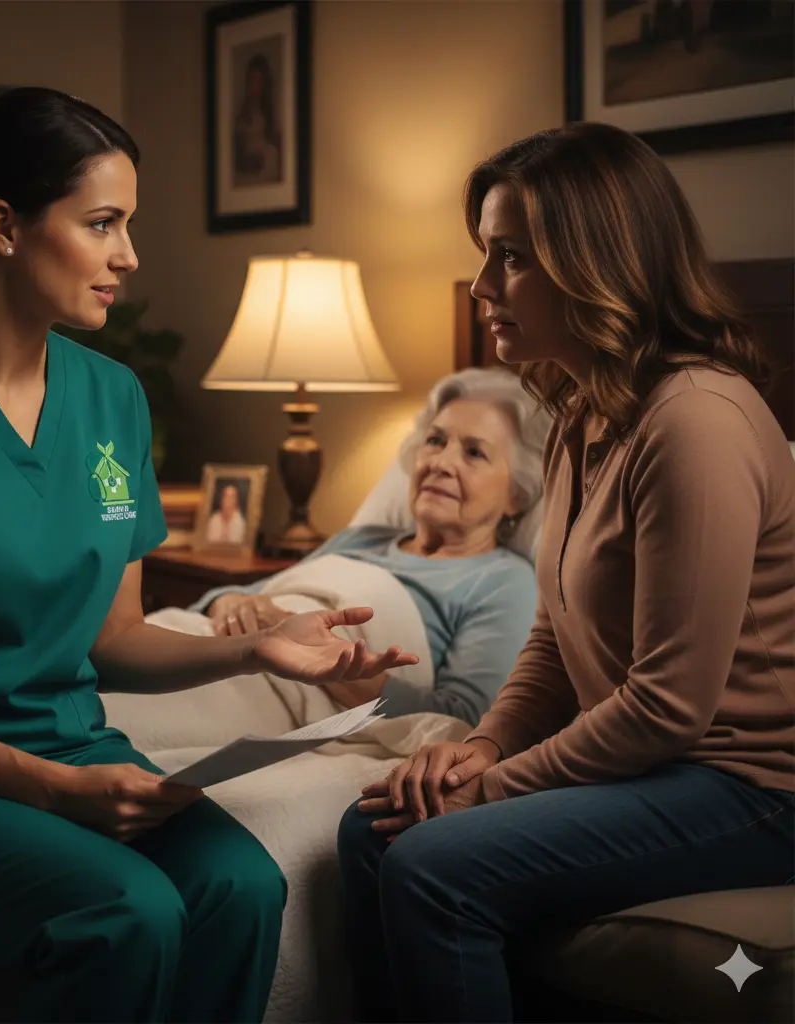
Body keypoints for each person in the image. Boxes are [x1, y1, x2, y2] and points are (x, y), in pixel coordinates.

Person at [0, 86, 417, 1024]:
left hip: (63, 743)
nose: (129, 255)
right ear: (3, 226)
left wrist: (257, 645)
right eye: (103, 223)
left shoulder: (113, 398)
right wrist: (56, 790)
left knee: (241, 889)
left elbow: (115, 636)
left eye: (128, 224)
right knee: (128, 911)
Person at [337, 121, 795, 1022]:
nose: (480, 288)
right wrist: (483, 744)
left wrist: (490, 788)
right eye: (486, 256)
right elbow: (556, 630)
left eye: (510, 258)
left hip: (752, 790)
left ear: (596, 264)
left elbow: (668, 706)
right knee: (372, 826)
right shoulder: (589, 409)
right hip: (659, 770)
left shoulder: (696, 422)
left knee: (429, 863)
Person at [199, 368, 545, 726]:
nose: (440, 463)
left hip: (262, 692)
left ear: (517, 494)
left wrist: (318, 653)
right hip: (212, 648)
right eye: (435, 441)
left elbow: (464, 719)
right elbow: (234, 598)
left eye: (474, 453)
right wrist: (231, 604)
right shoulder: (360, 538)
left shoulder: (506, 582)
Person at [232, 53, 282, 186]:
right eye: (251, 80)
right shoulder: (239, 119)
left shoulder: (271, 119)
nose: (253, 87)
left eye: (258, 81)